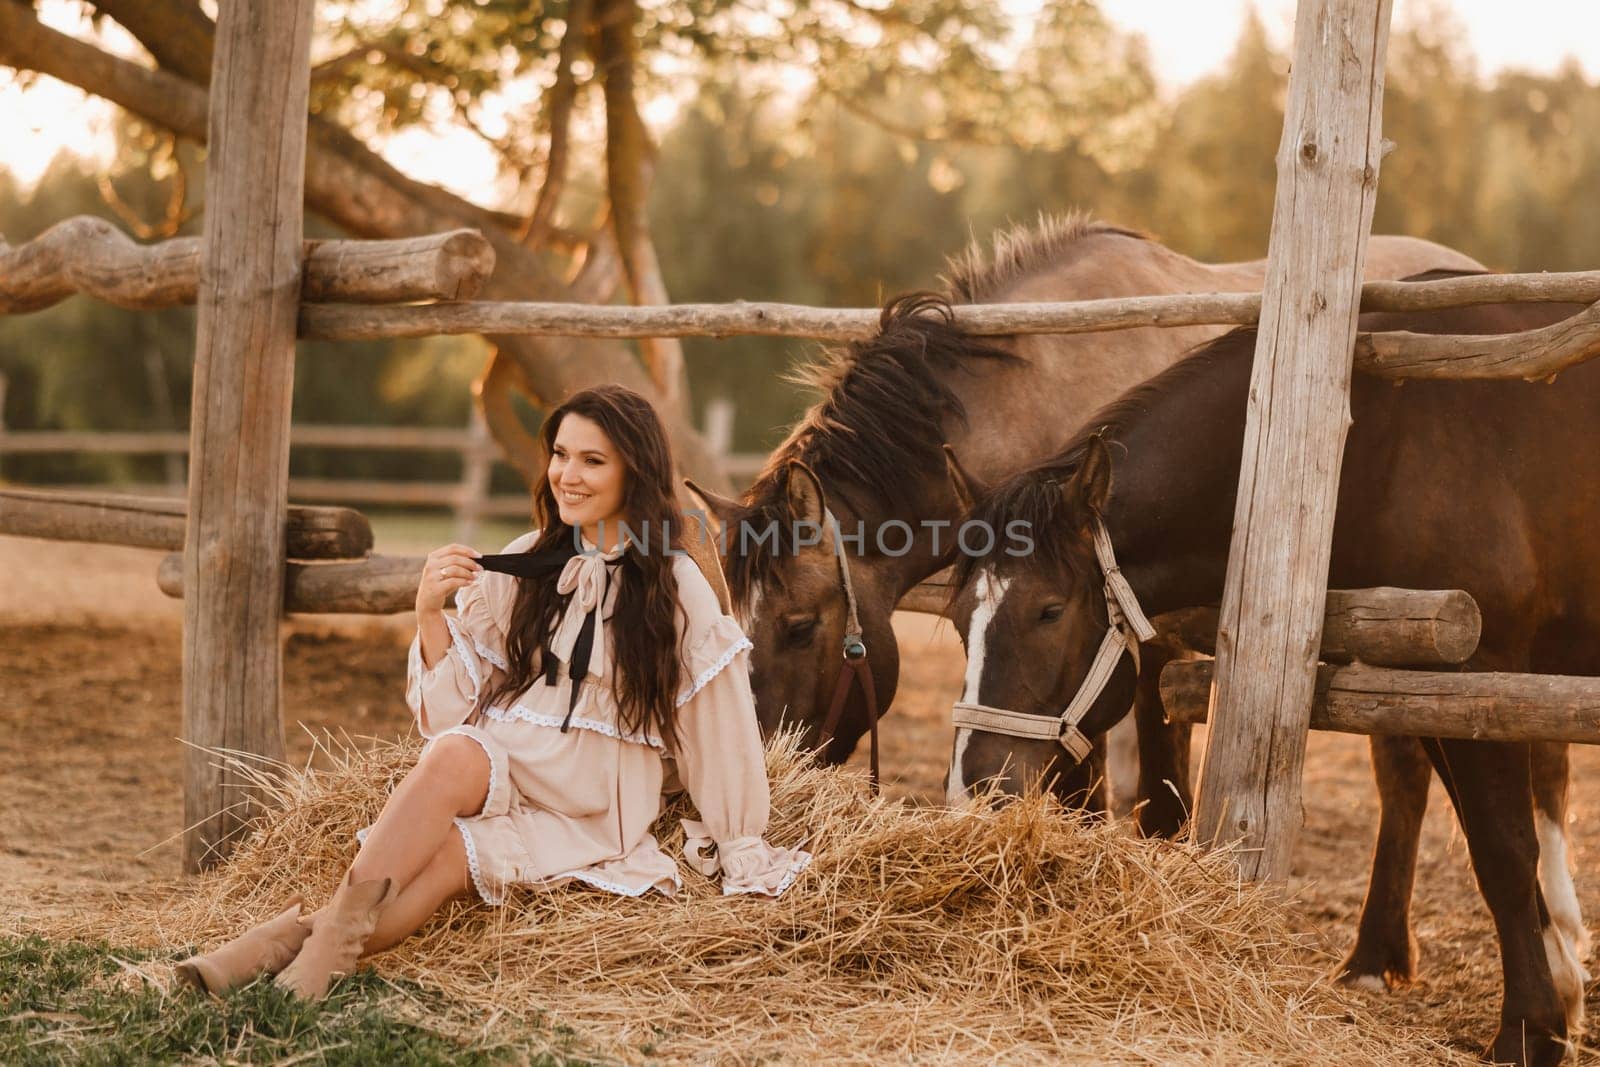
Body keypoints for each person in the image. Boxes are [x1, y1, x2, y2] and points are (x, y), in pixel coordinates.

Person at [175, 384, 810, 999]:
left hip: (592, 794)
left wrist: (738, 838)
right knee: (451, 763)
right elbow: (449, 714)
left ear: (634, 472)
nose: (569, 474)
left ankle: (281, 942)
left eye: (593, 460)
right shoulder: (528, 558)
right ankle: (317, 946)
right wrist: (428, 611)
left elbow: (716, 717)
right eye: (560, 455)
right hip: (516, 750)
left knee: (453, 838)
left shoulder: (674, 582)